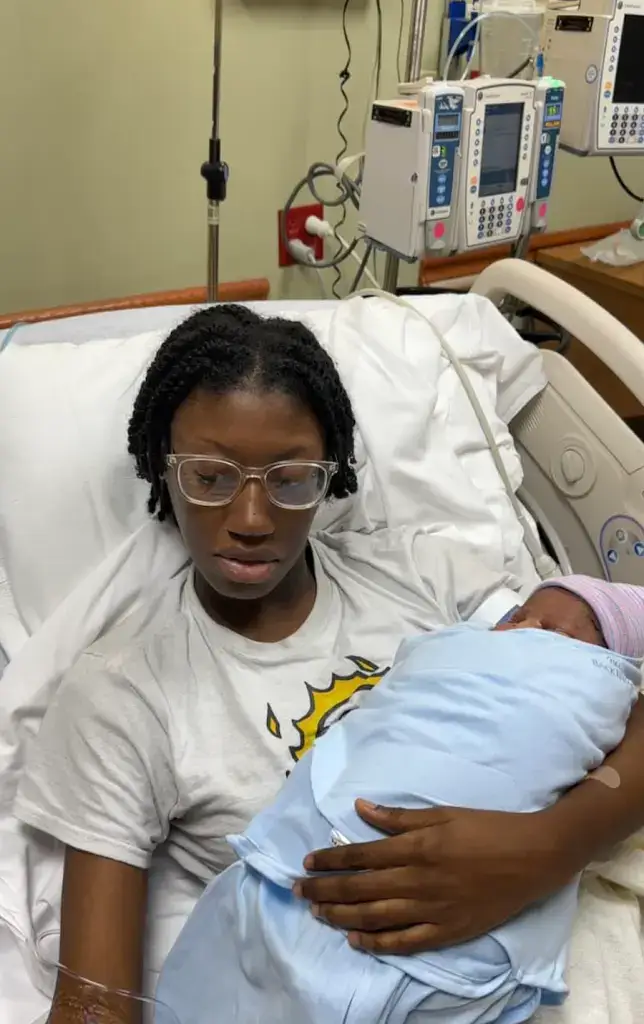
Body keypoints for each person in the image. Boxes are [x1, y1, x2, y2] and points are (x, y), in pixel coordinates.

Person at [11, 305, 644, 1024]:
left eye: (291, 479)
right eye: (211, 477)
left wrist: (548, 849)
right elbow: (95, 1005)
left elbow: (602, 681)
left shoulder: (423, 574)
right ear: (162, 467)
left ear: (332, 474)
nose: (251, 518)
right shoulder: (124, 693)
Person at [155, 576, 644, 1024]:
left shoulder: (419, 566)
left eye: (556, 634)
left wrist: (552, 845)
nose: (526, 630)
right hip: (291, 883)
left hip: (460, 935)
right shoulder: (134, 690)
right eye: (518, 618)